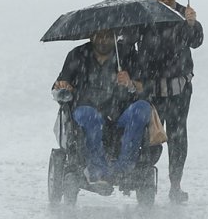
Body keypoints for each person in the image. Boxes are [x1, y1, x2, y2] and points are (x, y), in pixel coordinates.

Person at [52, 30, 151, 192]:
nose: (103, 40)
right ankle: (97, 170)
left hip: (120, 113)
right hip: (86, 110)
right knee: (89, 116)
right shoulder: (77, 55)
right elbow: (60, 84)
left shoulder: (128, 54)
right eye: (99, 36)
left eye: (107, 36)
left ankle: (123, 168)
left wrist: (130, 83)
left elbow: (145, 87)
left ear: (115, 37)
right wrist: (64, 86)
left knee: (142, 108)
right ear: (91, 36)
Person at [137, 0, 203, 203]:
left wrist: (192, 24)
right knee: (151, 136)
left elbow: (196, 41)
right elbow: (127, 45)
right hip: (151, 90)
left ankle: (176, 184)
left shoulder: (184, 15)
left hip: (179, 90)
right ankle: (144, 182)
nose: (168, 1)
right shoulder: (142, 15)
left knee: (178, 136)